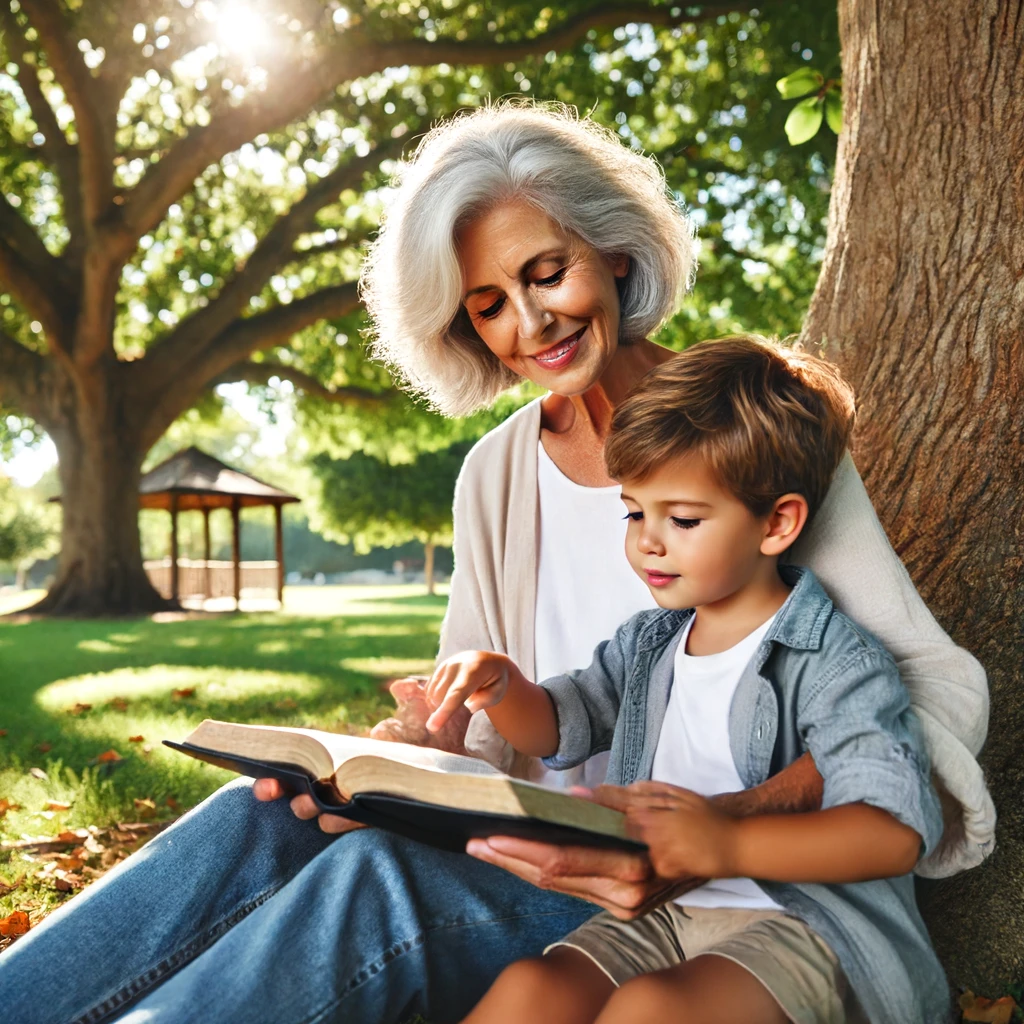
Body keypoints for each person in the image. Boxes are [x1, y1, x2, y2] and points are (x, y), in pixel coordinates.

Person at [0, 104, 991, 1024]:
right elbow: (489, 737)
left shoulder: (746, 431)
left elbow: (929, 685)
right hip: (533, 849)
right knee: (250, 822)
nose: (530, 324)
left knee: (372, 882)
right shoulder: (494, 475)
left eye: (545, 271)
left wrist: (725, 819)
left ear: (610, 248)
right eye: (488, 305)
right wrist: (411, 749)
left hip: (688, 897)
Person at [425, 336, 948, 1024]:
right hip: (662, 915)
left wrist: (729, 844)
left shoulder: (836, 661)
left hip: (801, 923)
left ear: (778, 523)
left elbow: (894, 832)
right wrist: (503, 687)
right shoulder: (650, 645)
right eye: (635, 511)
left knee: (650, 1009)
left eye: (684, 519)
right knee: (532, 992)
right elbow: (559, 723)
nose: (648, 540)